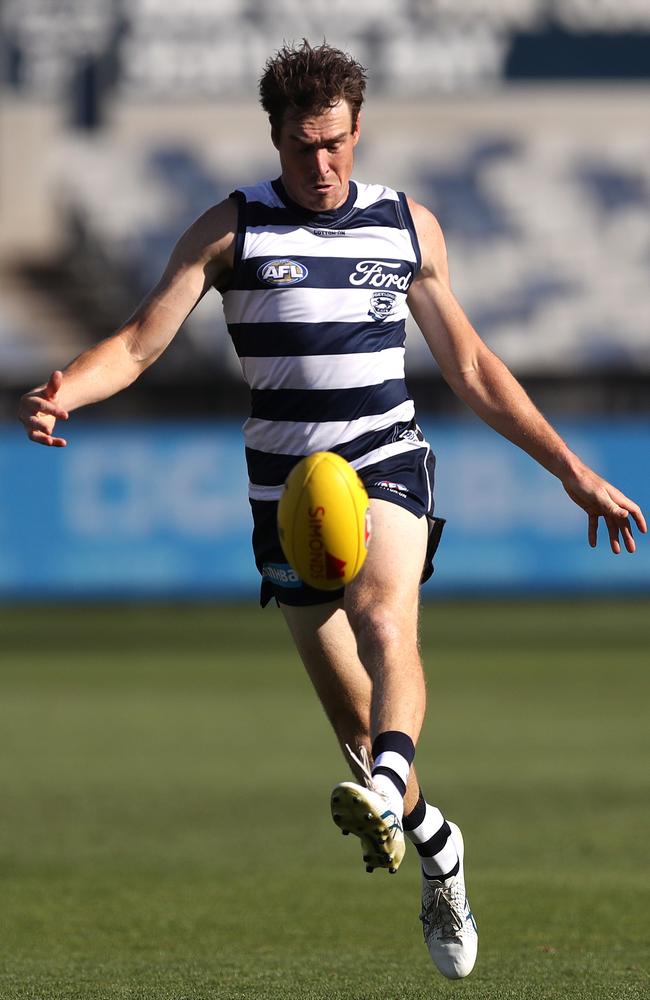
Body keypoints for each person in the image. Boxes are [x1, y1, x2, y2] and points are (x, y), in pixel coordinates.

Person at [18, 40, 646, 980]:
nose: (324, 165)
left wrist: (569, 468)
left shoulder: (407, 227)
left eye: (339, 143)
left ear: (359, 131)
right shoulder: (230, 231)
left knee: (385, 619)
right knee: (358, 735)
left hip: (385, 459)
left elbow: (471, 367)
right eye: (306, 147)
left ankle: (392, 797)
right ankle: (436, 844)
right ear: (274, 137)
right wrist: (68, 390)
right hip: (286, 493)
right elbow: (142, 345)